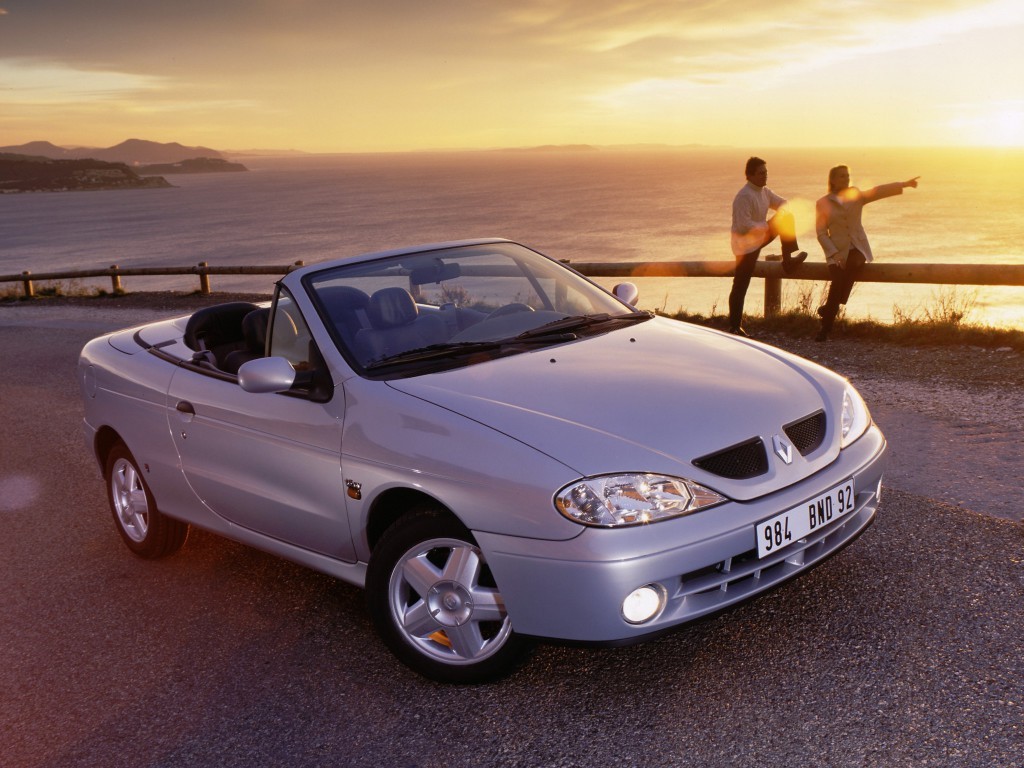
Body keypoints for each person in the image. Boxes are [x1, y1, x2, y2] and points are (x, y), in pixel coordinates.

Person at [814, 165, 919, 341]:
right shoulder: (822, 203)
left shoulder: (855, 194)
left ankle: (828, 311)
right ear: (832, 180)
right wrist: (834, 254)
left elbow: (877, 191)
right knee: (838, 280)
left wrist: (904, 184)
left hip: (858, 248)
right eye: (841, 176)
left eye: (847, 175)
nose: (846, 179)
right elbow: (821, 233)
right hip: (837, 252)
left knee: (852, 265)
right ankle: (826, 327)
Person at [729, 156, 807, 336]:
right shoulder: (743, 196)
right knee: (741, 283)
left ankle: (787, 260)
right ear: (749, 175)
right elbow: (742, 225)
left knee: (787, 217)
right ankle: (734, 326)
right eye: (761, 173)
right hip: (745, 246)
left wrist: (779, 216)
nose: (765, 176)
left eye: (766, 172)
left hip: (760, 236)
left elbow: (784, 203)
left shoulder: (764, 191)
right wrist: (765, 226)